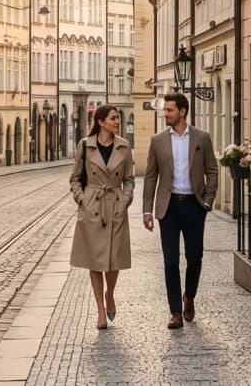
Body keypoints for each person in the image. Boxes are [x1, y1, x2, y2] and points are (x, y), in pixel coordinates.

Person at [141, 92, 218, 330]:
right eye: (165, 110)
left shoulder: (202, 138)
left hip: (194, 206)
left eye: (169, 110)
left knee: (194, 258)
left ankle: (189, 296)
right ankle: (175, 312)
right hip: (169, 207)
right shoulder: (158, 140)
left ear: (182, 112)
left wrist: (207, 201)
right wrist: (147, 210)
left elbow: (212, 170)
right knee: (170, 261)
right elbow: (150, 176)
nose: (165, 114)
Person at [69, 104, 133, 331]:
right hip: (93, 207)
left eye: (117, 118)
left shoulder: (124, 146)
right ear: (101, 121)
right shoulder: (85, 146)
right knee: (95, 261)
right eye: (113, 118)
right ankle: (99, 310)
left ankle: (110, 294)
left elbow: (129, 180)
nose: (117, 121)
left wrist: (125, 201)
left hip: (115, 206)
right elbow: (75, 178)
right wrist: (82, 200)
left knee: (114, 260)